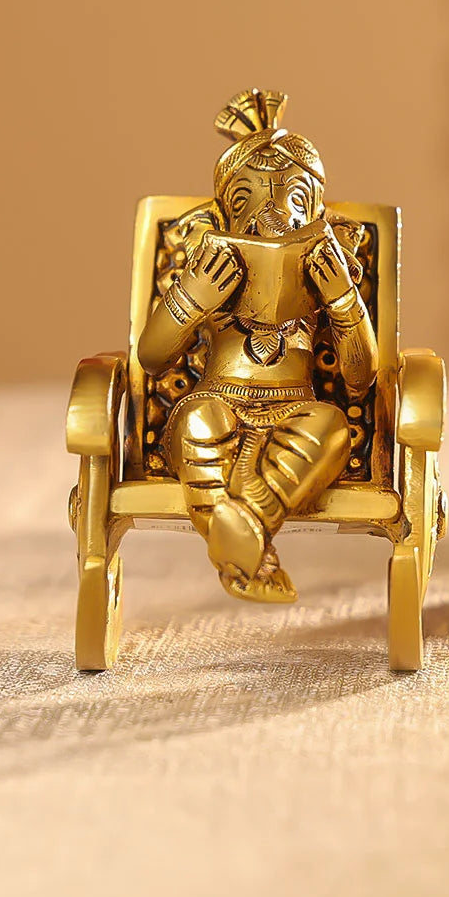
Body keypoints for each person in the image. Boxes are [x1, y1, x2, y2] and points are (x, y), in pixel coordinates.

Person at [138, 89, 378, 602]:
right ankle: (252, 539)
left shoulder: (326, 272)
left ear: (315, 212)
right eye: (247, 199)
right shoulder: (208, 266)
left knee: (331, 426)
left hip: (294, 408)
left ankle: (239, 525)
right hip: (214, 399)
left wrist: (339, 298)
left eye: (293, 200)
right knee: (201, 425)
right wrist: (193, 297)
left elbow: (360, 376)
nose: (272, 215)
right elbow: (152, 357)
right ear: (224, 213)